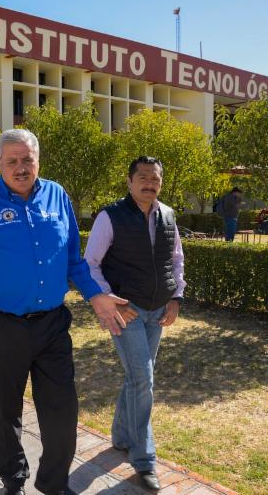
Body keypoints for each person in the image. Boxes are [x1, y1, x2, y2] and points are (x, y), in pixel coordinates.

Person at [0, 129, 135, 495]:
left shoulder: (57, 195)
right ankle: (14, 481)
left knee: (62, 415)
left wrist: (96, 295)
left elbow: (74, 261)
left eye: (27, 159)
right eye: (12, 161)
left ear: (38, 160)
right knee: (2, 413)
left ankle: (52, 484)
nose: (20, 167)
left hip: (52, 327)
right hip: (0, 327)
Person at [83, 156, 185, 492]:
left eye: (155, 178)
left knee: (137, 377)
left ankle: (122, 437)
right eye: (142, 177)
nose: (149, 183)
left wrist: (176, 298)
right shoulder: (109, 216)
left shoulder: (168, 215)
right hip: (127, 311)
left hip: (158, 311)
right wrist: (109, 301)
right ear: (129, 182)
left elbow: (175, 260)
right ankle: (144, 460)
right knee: (144, 379)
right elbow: (90, 265)